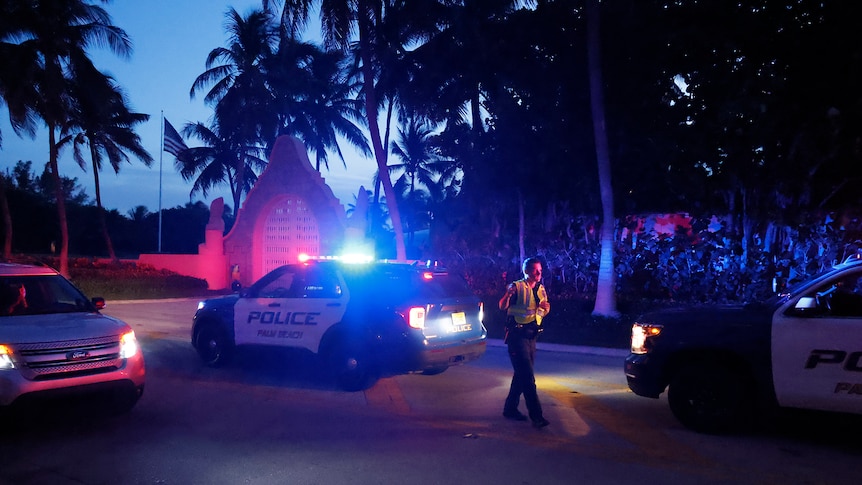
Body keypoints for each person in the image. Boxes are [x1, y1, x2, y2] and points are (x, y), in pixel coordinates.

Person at [498, 257, 550, 428]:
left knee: (521, 375)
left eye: (540, 270)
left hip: (531, 336)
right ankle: (537, 417)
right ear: (526, 271)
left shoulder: (541, 288)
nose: (538, 273)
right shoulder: (517, 286)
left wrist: (544, 310)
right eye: (535, 270)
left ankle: (510, 408)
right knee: (528, 378)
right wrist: (508, 294)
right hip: (516, 336)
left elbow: (543, 307)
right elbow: (502, 305)